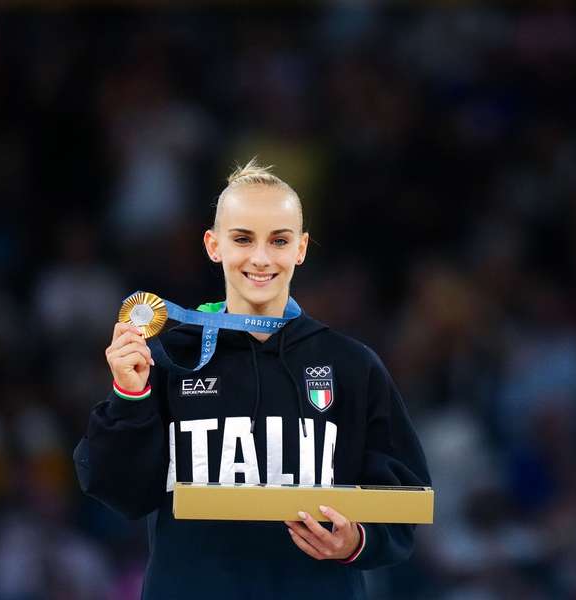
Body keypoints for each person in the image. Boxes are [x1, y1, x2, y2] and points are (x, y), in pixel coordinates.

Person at [73, 158, 431, 599]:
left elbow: (405, 500)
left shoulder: (352, 366)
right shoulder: (168, 359)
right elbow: (120, 493)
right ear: (213, 244)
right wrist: (129, 395)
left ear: (301, 248)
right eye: (243, 238)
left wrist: (357, 540)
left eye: (278, 241)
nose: (261, 258)